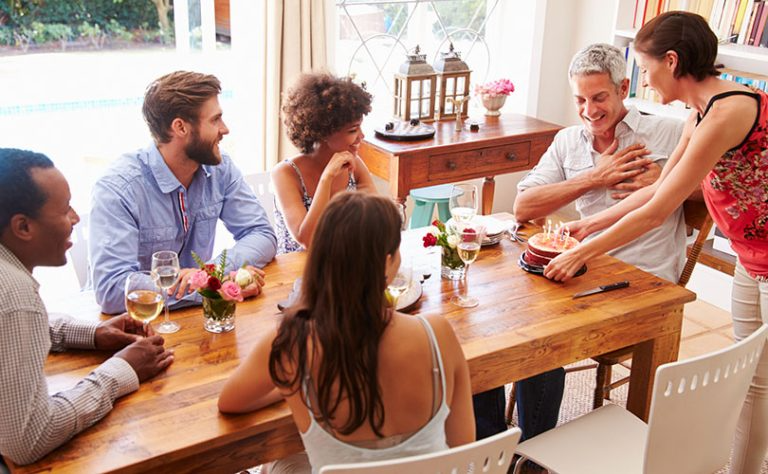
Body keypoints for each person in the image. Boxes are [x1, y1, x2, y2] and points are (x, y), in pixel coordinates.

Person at [544, 12, 768, 473]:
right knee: (756, 382)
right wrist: (586, 227)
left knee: (761, 378)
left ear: (671, 60)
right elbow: (657, 189)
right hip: (751, 256)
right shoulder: (699, 112)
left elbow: (657, 211)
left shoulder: (729, 111)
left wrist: (583, 252)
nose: (644, 82)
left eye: (645, 70)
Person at [218, 192, 475, 473]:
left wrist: (287, 384)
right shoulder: (438, 334)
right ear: (387, 263)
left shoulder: (291, 344)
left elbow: (230, 402)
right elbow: (464, 449)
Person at [0, 149, 173, 466]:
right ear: (23, 227)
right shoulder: (14, 295)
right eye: (65, 210)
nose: (76, 218)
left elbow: (12, 329)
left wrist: (96, 334)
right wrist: (122, 370)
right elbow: (27, 440)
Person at [89, 71, 277, 314]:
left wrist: (209, 274)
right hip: (134, 329)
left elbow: (261, 233)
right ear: (180, 127)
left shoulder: (220, 169)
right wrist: (210, 287)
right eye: (215, 120)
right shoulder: (118, 189)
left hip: (194, 323)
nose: (225, 129)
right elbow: (112, 290)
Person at [272, 73, 377, 254]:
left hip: (342, 265)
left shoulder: (355, 166)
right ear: (324, 132)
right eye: (353, 130)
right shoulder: (285, 173)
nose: (362, 136)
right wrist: (326, 178)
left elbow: (379, 221)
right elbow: (308, 240)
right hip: (297, 273)